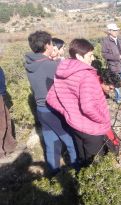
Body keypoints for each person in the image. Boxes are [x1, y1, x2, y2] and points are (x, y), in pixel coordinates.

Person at [47, 39, 115, 166]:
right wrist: (103, 119)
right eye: (90, 55)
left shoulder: (62, 71)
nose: (93, 58)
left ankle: (83, 182)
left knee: (83, 159)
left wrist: (68, 112)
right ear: (79, 56)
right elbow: (88, 107)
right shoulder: (87, 75)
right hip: (92, 127)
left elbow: (50, 98)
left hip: (75, 125)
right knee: (97, 165)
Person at [24, 31, 77, 174]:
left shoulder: (31, 63)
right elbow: (67, 72)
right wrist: (59, 59)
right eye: (52, 44)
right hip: (53, 110)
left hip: (41, 110)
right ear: (47, 45)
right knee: (71, 140)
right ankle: (78, 171)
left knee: (51, 142)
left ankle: (54, 174)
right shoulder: (50, 66)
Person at [0, 67, 17, 158]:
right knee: (2, 124)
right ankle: (1, 151)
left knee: (6, 121)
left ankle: (9, 146)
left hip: (1, 95)